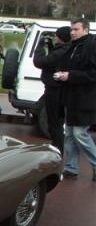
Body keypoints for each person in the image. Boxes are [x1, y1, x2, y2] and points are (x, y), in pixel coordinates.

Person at [54, 18, 96, 180]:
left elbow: (93, 73)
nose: (72, 32)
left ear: (86, 30)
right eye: (71, 29)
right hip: (70, 97)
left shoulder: (92, 46)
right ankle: (72, 167)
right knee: (69, 134)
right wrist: (60, 73)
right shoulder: (73, 46)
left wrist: (70, 76)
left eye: (76, 29)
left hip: (85, 98)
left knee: (79, 134)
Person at [33, 26, 71, 154]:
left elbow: (40, 62)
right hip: (59, 89)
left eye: (56, 36)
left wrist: (39, 47)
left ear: (61, 37)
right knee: (57, 122)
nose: (55, 38)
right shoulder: (66, 49)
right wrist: (50, 47)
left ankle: (58, 148)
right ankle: (57, 146)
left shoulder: (61, 51)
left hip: (55, 90)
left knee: (54, 122)